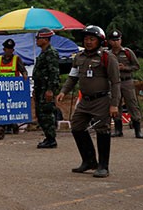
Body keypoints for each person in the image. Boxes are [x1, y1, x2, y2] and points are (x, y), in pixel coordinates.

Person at [56, 25, 120, 178]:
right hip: (84, 101)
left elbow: (116, 82)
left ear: (99, 41)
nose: (88, 42)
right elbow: (72, 77)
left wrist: (114, 104)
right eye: (86, 39)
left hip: (101, 100)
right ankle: (89, 161)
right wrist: (63, 91)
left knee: (102, 130)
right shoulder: (79, 57)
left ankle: (103, 166)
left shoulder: (107, 57)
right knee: (77, 127)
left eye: (92, 39)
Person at [107, 30, 142, 138]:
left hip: (126, 81)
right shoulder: (108, 54)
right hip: (113, 82)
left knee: (132, 104)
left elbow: (136, 66)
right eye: (113, 40)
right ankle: (118, 129)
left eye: (118, 40)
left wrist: (124, 68)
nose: (116, 42)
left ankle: (137, 130)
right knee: (115, 104)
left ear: (121, 40)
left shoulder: (127, 52)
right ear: (109, 41)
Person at [32, 29, 61, 149]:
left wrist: (50, 90)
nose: (37, 41)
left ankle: (51, 138)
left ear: (45, 39)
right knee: (40, 112)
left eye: (38, 38)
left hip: (46, 88)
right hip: (40, 88)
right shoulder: (43, 53)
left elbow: (53, 73)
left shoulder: (51, 53)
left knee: (47, 113)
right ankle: (48, 137)